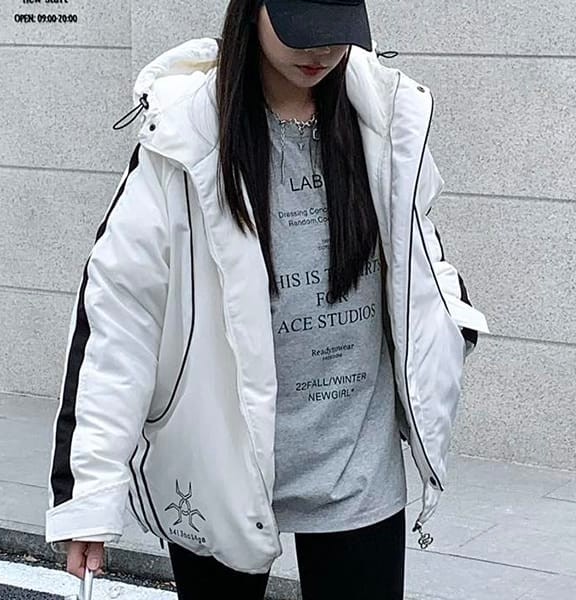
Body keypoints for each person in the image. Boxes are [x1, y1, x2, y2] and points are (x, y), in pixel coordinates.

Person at [46, 1, 490, 598]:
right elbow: (119, 321)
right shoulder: (185, 139)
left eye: (336, 32)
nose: (320, 51)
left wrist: (451, 328)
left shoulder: (385, 118)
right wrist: (88, 496)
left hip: (358, 467)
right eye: (301, 30)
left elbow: (421, 252)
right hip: (218, 465)